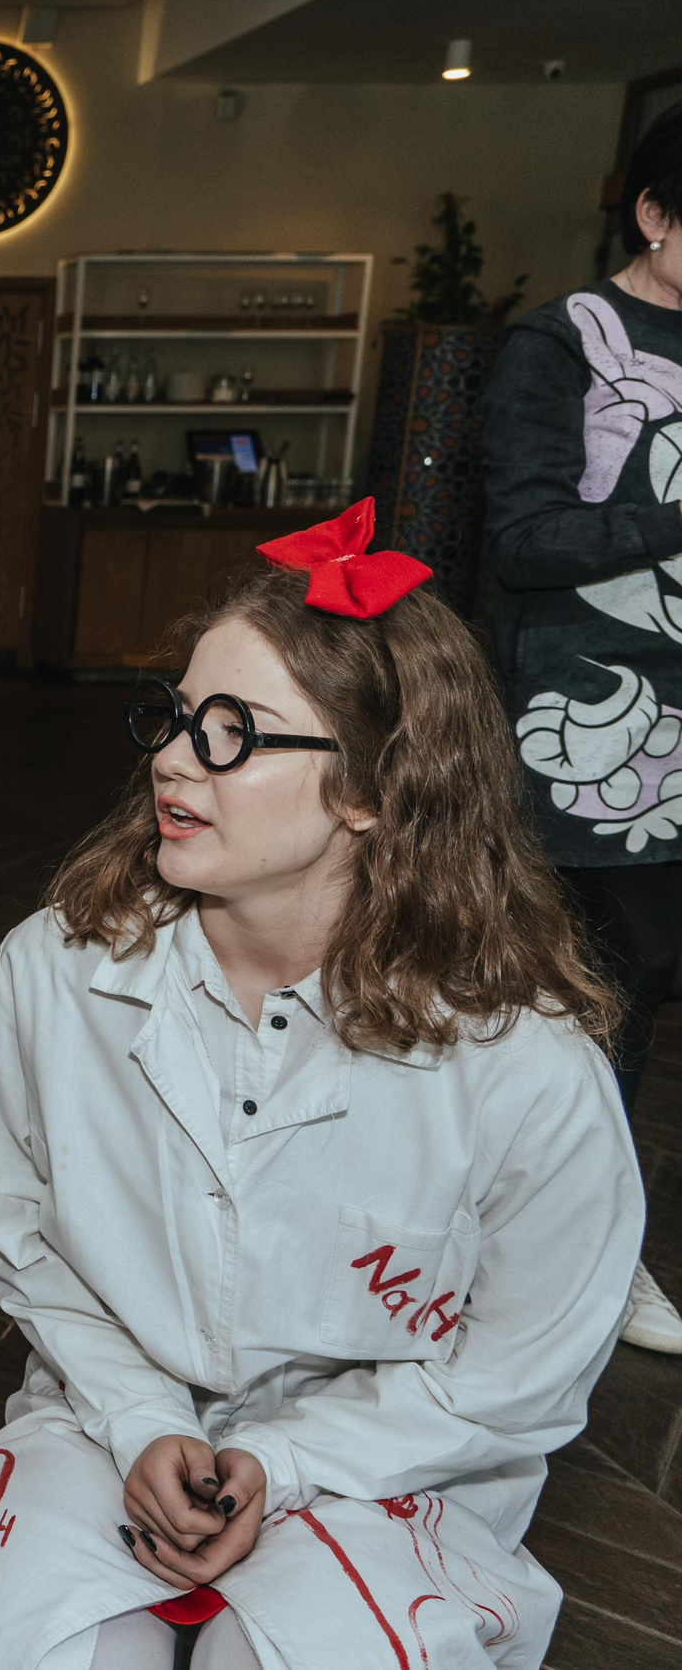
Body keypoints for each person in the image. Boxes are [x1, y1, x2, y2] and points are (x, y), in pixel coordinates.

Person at [0, 540, 640, 1670]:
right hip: (108, 1404)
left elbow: (523, 1364)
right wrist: (139, 1416)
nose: (172, 759)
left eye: (231, 732)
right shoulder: (53, 972)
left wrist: (298, 1459)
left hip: (400, 1454)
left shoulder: (525, 1063)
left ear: (373, 789)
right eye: (173, 717)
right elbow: (24, 1233)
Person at [480, 98, 682, 1354]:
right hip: (593, 731)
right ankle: (574, 1264)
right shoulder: (560, 343)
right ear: (655, 215)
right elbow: (527, 539)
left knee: (640, 996)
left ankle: (592, 1250)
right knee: (592, 997)